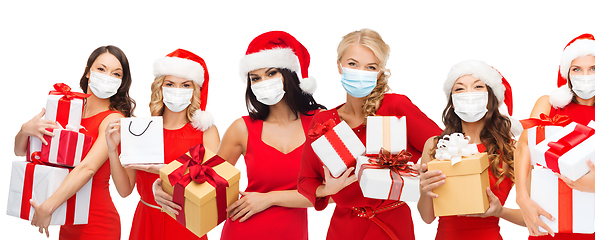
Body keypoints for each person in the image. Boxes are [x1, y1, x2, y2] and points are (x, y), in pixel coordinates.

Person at [153, 31, 325, 240]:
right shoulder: (242, 128)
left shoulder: (321, 123)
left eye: (271, 74)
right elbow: (205, 181)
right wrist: (162, 185)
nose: (263, 82)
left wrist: (268, 199)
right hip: (243, 230)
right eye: (255, 78)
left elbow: (335, 192)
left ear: (289, 74)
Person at [297, 28, 442, 240]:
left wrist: (424, 167)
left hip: (393, 225)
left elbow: (440, 145)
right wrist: (326, 189)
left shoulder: (395, 107)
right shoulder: (323, 122)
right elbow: (305, 180)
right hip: (344, 228)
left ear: (379, 72)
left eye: (370, 67)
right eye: (353, 64)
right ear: (339, 66)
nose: (360, 72)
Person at [513, 34, 595, 239]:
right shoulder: (548, 104)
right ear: (567, 74)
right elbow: (523, 147)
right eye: (577, 69)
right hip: (549, 208)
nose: (585, 75)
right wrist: (522, 198)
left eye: (593, 68)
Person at [13, 45, 136, 239]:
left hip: (97, 223)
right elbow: (21, 151)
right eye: (101, 69)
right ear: (88, 71)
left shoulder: (114, 119)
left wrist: (48, 206)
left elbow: (87, 168)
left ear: (121, 82)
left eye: (116, 74)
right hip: (69, 219)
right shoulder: (71, 113)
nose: (107, 77)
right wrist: (25, 130)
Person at [105, 49, 219, 240]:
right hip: (146, 224)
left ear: (194, 91)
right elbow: (125, 191)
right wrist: (111, 149)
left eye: (185, 85)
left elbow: (212, 187)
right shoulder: (141, 129)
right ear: (160, 87)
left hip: (187, 226)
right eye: (170, 84)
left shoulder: (206, 132)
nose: (177, 90)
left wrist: (165, 172)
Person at [417, 60, 525, 240]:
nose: (468, 94)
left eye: (477, 87)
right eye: (459, 89)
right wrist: (424, 191)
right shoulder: (434, 145)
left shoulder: (511, 150)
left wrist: (500, 211)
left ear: (491, 98)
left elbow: (533, 216)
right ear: (452, 102)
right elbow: (427, 217)